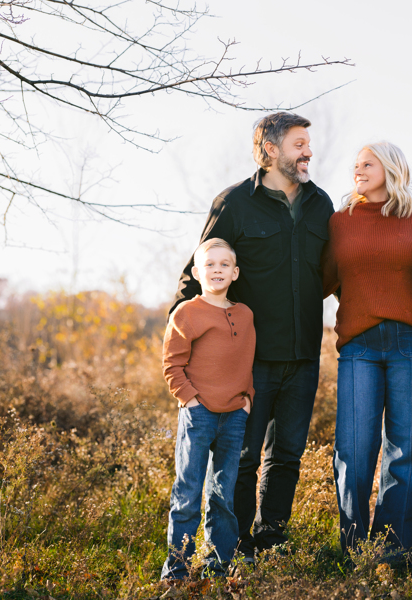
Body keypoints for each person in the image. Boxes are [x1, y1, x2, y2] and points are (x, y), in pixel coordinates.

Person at [171, 112, 334, 562]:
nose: (308, 152)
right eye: (299, 144)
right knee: (241, 458)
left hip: (303, 355)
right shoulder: (235, 203)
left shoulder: (321, 204)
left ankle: (271, 540)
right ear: (270, 150)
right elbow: (196, 272)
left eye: (308, 143)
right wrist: (182, 345)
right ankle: (231, 546)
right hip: (249, 359)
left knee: (287, 456)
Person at [322, 141, 412, 557]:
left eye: (367, 163)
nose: (358, 169)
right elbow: (324, 280)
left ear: (390, 168)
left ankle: (394, 549)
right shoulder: (341, 221)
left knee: (406, 449)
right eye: (355, 164)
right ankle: (355, 548)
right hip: (359, 345)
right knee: (353, 449)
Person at [161, 238, 255, 580]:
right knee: (187, 493)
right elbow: (172, 364)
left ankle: (219, 566)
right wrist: (190, 400)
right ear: (197, 272)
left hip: (234, 417)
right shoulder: (186, 312)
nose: (217, 269)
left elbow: (247, 362)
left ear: (235, 272)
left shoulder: (244, 315)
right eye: (210, 264)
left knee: (223, 496)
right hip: (198, 414)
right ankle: (177, 572)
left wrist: (248, 401)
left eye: (224, 264)